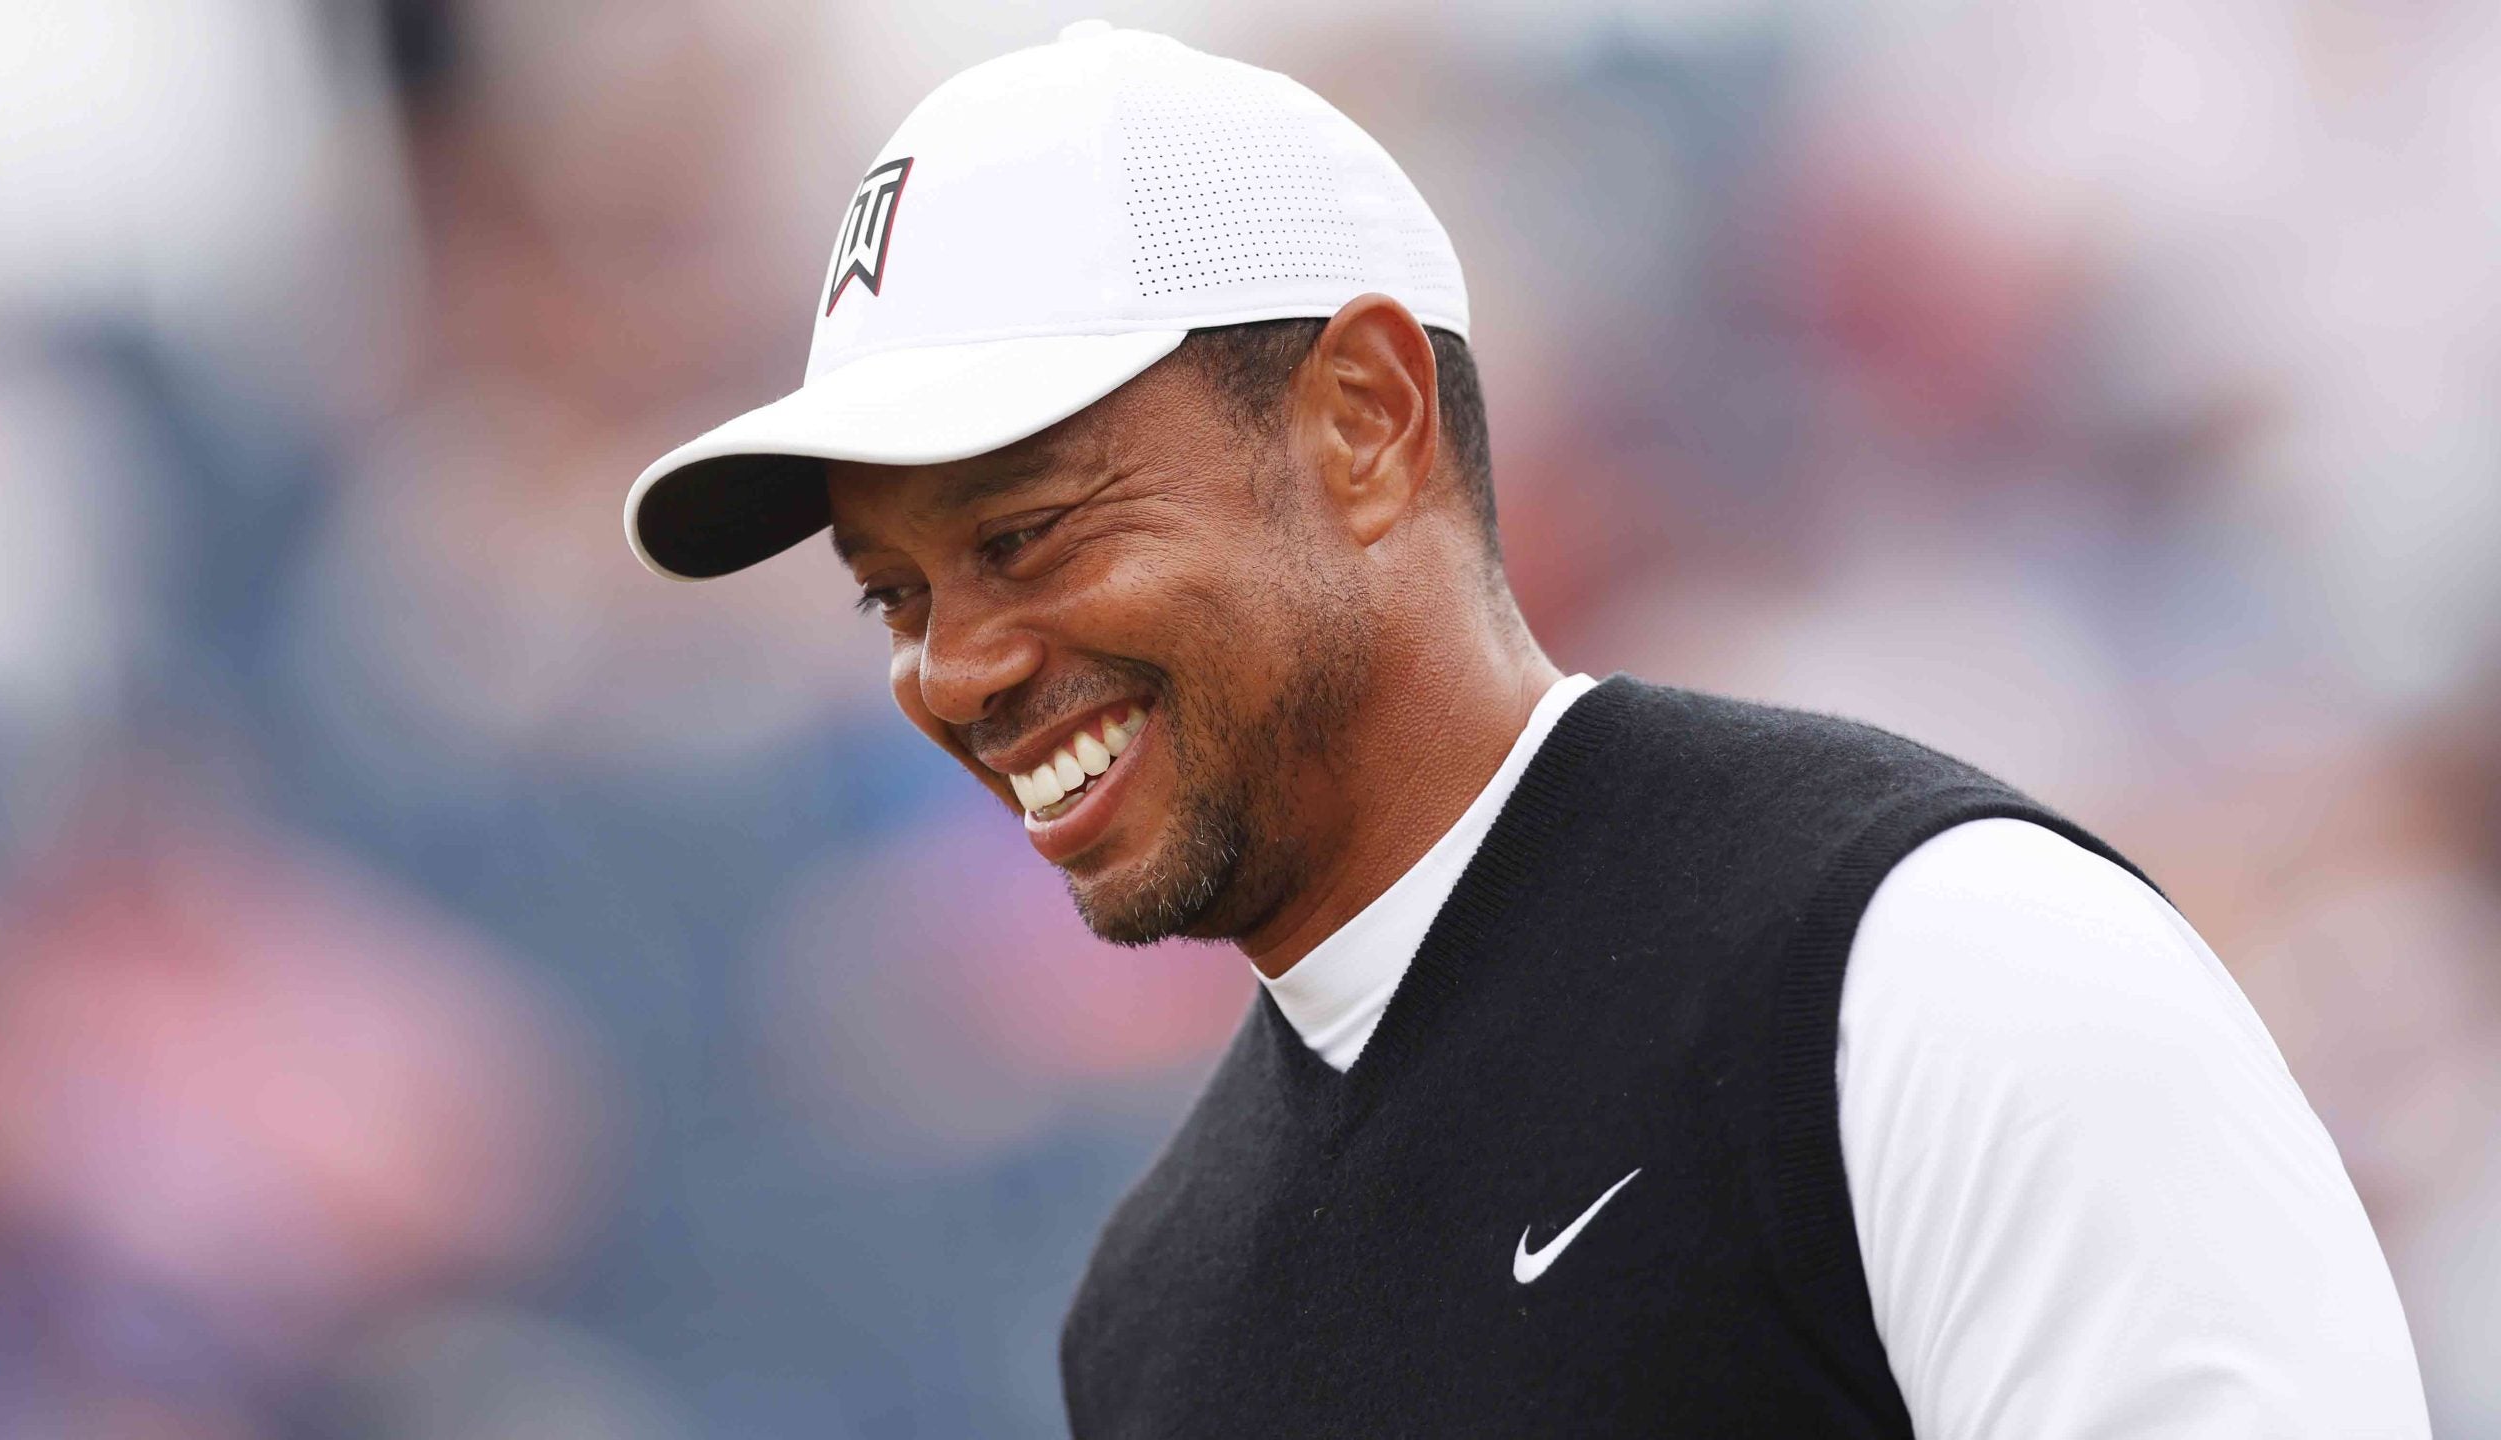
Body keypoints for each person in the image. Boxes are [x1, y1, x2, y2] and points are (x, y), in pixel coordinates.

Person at [622, 23, 2430, 1438]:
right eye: (898, 595)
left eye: (1025, 537)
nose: (953, 668)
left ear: (1363, 417)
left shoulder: (1925, 963)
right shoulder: (1147, 1308)